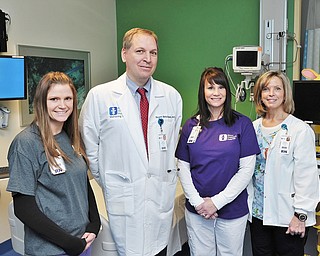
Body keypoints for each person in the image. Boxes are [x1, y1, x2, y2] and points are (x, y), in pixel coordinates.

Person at [79, 27, 182, 256]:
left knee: (159, 250)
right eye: (140, 51)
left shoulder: (171, 97)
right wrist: (109, 180)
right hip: (122, 195)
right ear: (124, 54)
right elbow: (89, 146)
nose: (147, 58)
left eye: (153, 53)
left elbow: (172, 145)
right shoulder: (100, 96)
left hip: (159, 197)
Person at [6, 72, 101, 256]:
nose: (62, 105)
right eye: (54, 99)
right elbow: (23, 208)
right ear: (42, 102)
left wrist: (94, 224)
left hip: (82, 242)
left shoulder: (70, 136)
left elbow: (81, 183)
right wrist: (69, 244)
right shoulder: (26, 143)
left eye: (68, 98)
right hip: (51, 249)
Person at [175, 67, 260, 256]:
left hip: (232, 210)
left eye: (220, 88)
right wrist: (199, 203)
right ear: (202, 92)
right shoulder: (191, 125)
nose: (216, 93)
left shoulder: (242, 124)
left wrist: (216, 202)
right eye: (210, 88)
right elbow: (183, 167)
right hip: (198, 210)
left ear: (227, 92)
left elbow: (246, 170)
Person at [249, 70, 319, 256]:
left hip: (288, 216)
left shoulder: (299, 130)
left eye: (277, 89)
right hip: (259, 213)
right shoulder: (253, 128)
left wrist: (300, 215)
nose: (271, 94)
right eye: (265, 89)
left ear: (285, 93)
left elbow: (307, 177)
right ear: (259, 94)